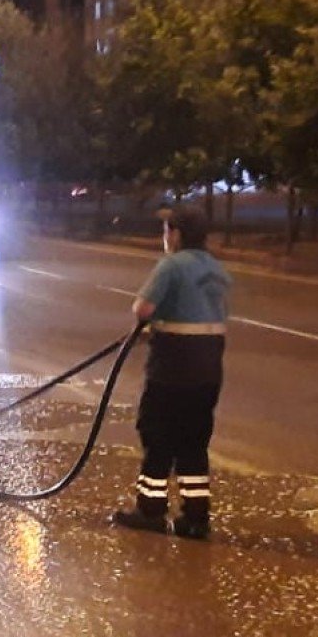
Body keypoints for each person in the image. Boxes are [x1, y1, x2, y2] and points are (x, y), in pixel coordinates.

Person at [112, 205, 231, 539]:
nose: (165, 237)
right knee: (194, 440)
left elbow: (143, 308)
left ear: (175, 234)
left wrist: (149, 325)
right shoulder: (217, 270)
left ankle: (150, 510)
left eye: (167, 231)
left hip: (172, 367)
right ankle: (195, 518)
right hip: (208, 367)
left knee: (158, 434)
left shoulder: (172, 266)